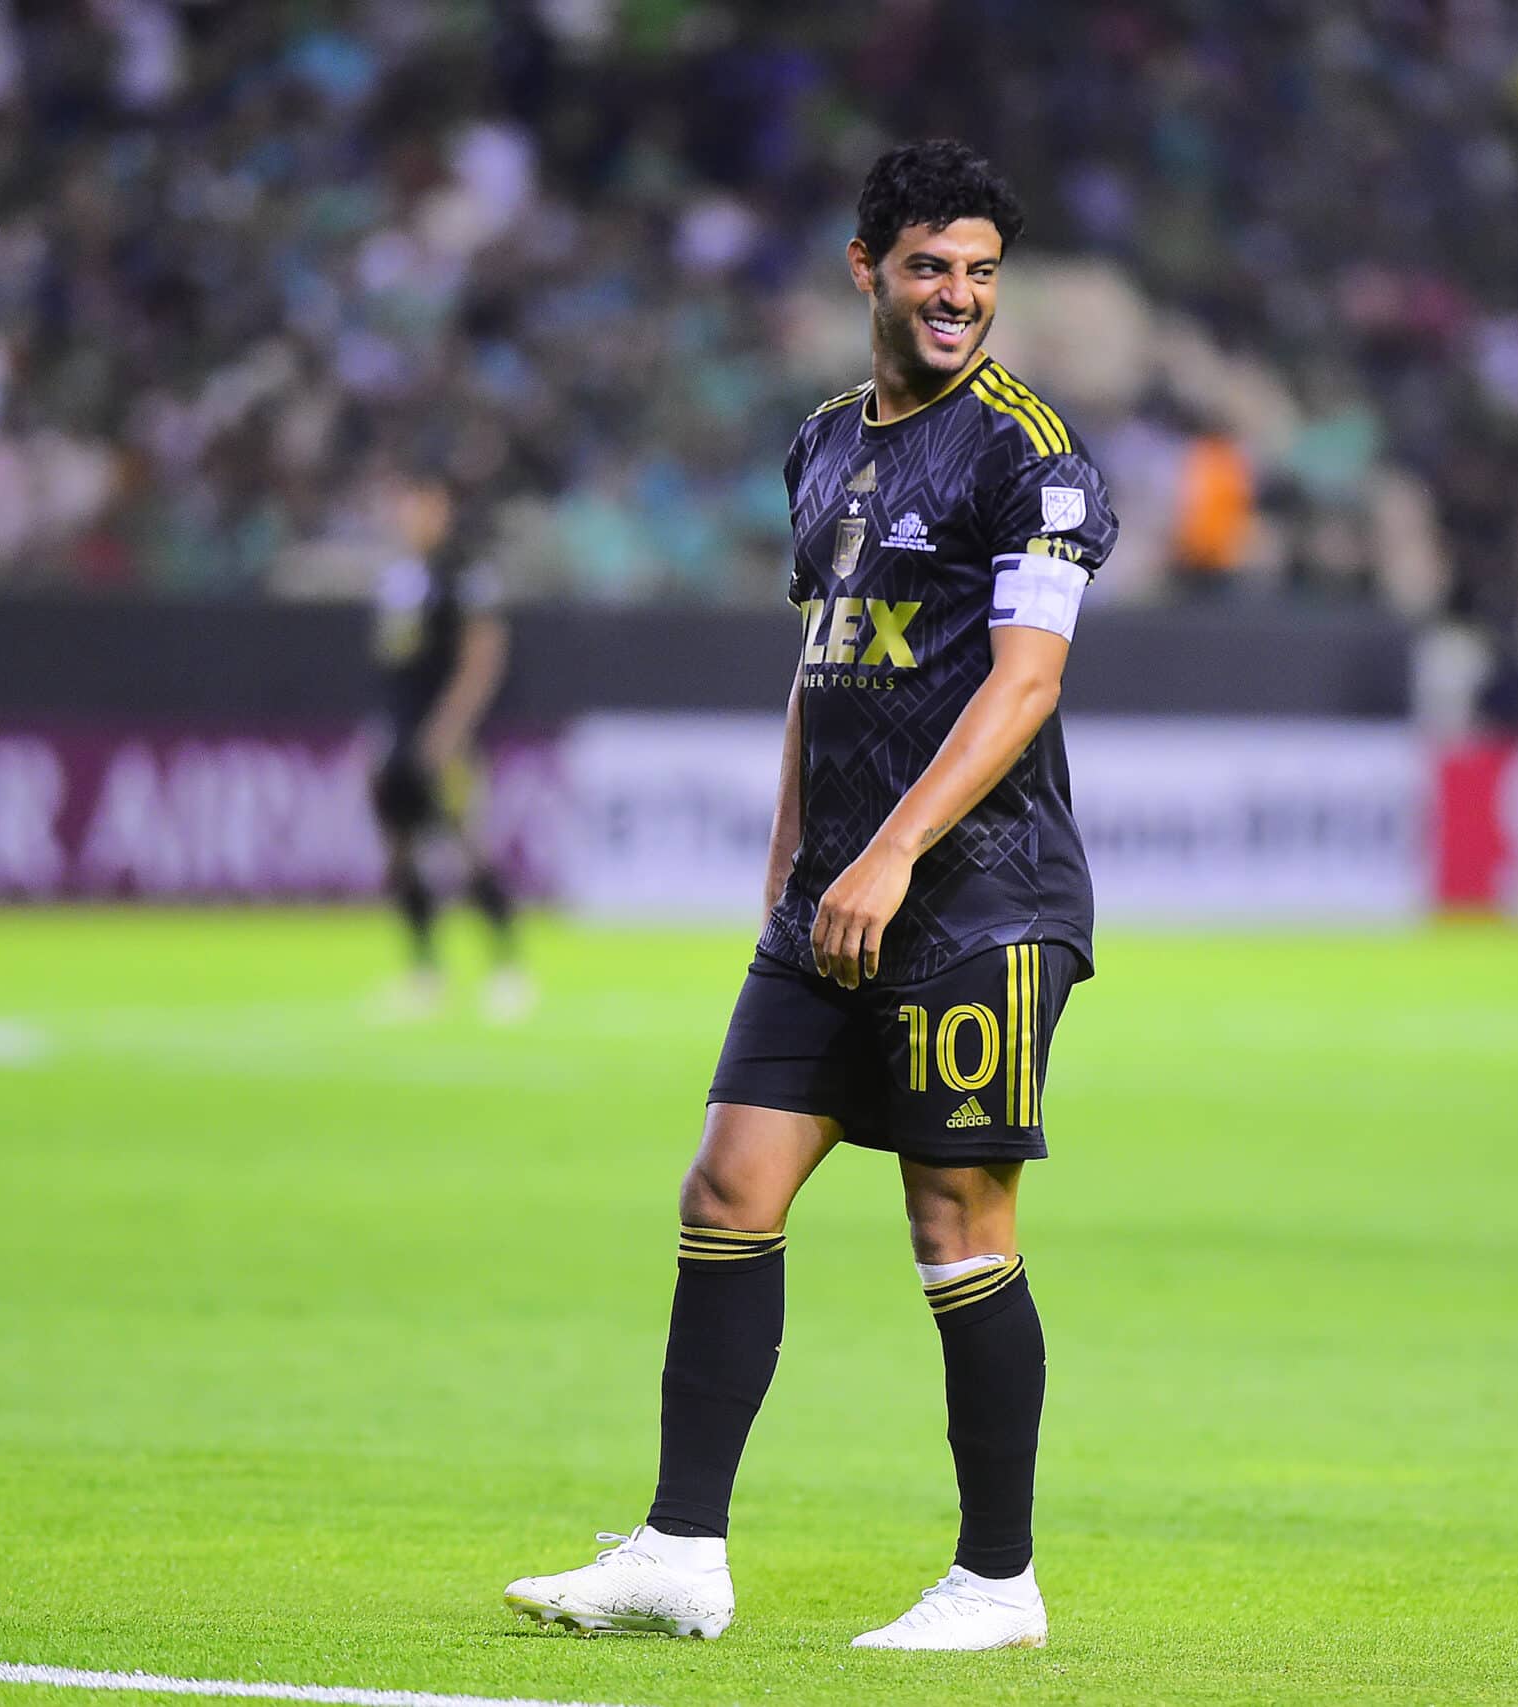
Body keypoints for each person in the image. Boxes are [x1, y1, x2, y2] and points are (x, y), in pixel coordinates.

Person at [502, 140, 1117, 1650]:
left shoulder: (1033, 458)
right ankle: (679, 1550)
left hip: (980, 900)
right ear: (867, 270)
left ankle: (997, 1579)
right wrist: (793, 856)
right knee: (727, 1185)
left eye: (979, 271)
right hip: (832, 898)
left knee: (955, 1218)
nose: (957, 296)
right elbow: (823, 659)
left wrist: (895, 847)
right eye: (928, 268)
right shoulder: (824, 442)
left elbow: (1027, 682)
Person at [365, 470, 532, 1023]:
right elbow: (391, 669)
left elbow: (483, 658)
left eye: (419, 505)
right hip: (395, 734)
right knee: (401, 851)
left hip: (443, 738)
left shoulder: (463, 574)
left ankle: (509, 970)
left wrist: (449, 729)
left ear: (441, 508)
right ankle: (424, 972)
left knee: (465, 846)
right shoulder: (396, 580)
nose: (409, 516)